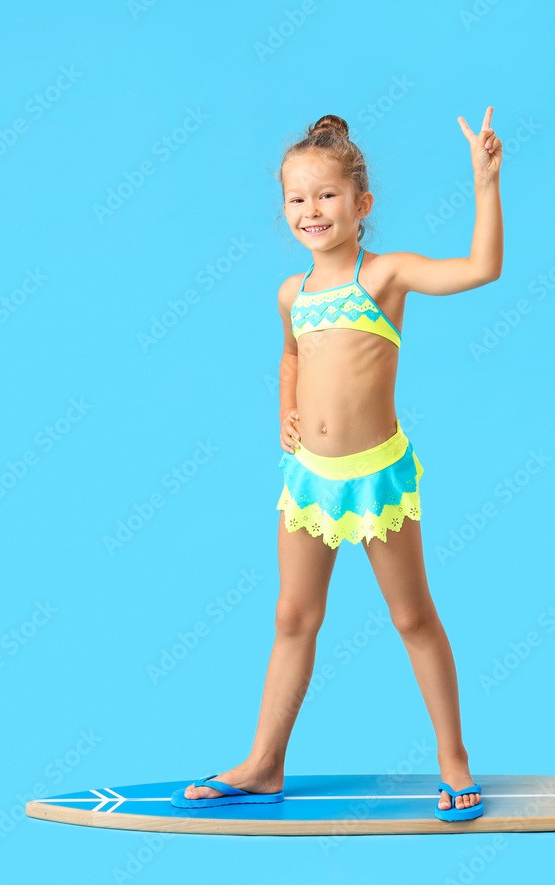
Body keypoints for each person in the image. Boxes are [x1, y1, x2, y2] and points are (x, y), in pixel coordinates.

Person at [172, 107, 503, 822]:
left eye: (326, 196)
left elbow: (482, 268)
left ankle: (454, 758)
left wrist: (484, 182)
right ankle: (264, 763)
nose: (311, 210)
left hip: (375, 476)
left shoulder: (384, 276)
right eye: (297, 198)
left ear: (362, 205)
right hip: (310, 482)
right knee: (293, 615)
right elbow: (292, 352)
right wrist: (285, 408)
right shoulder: (292, 292)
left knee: (412, 615)